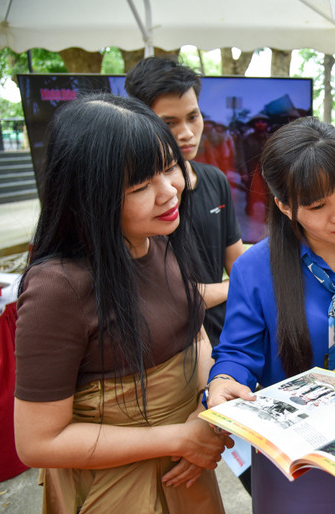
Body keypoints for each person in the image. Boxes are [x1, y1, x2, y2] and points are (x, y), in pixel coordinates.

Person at [13, 94, 230, 513]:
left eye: (169, 168)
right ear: (90, 195)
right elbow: (38, 441)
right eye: (140, 185)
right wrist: (178, 437)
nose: (170, 192)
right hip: (117, 488)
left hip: (187, 462)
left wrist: (208, 399)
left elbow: (193, 327)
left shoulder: (156, 237)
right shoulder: (57, 287)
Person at [205, 117, 335, 513]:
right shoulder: (255, 268)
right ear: (284, 206)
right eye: (318, 205)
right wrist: (225, 380)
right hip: (296, 463)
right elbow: (238, 353)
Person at [125, 56, 245, 347]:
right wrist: (237, 287)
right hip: (169, 350)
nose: (187, 133)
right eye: (169, 123)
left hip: (226, 341)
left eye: (193, 116)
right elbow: (172, 293)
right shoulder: (132, 203)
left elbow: (239, 263)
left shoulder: (215, 180)